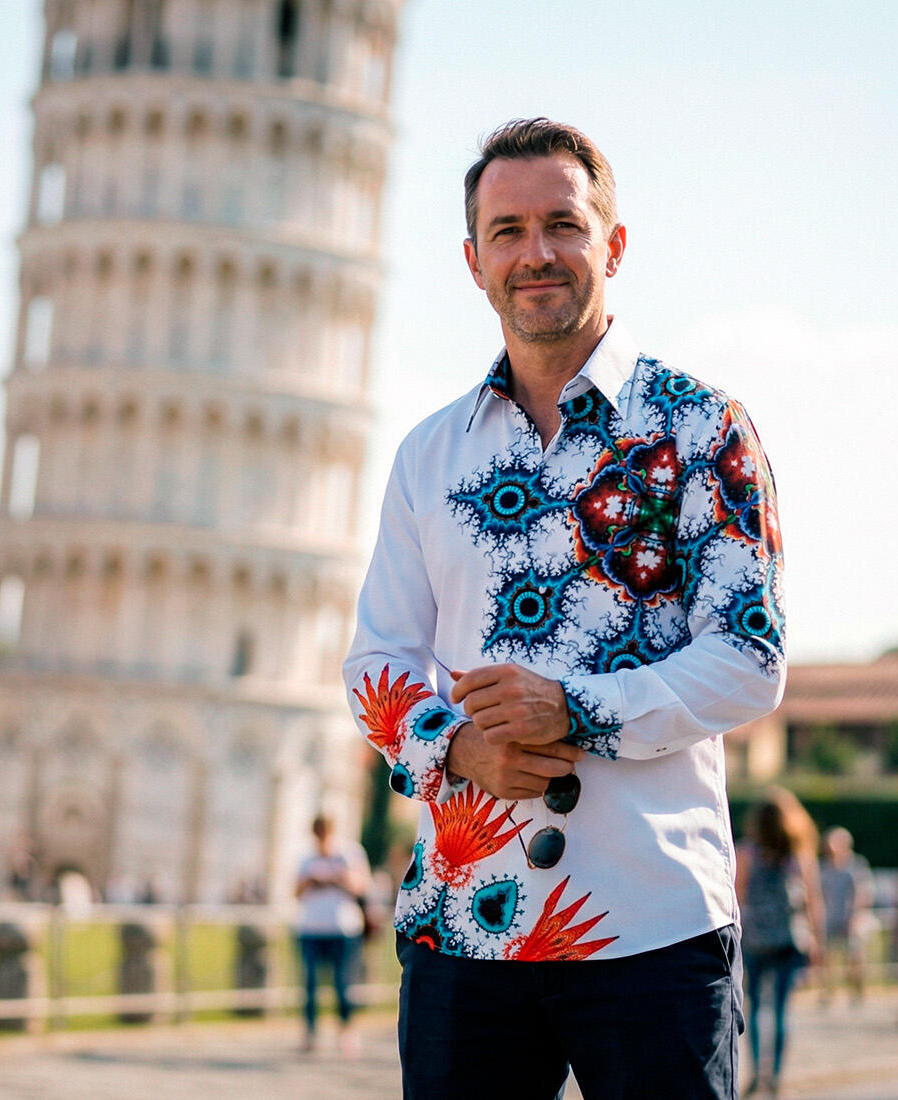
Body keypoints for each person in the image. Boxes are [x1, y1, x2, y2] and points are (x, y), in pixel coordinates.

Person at [342, 117, 784, 1100]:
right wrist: (457, 748)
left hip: (651, 919)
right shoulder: (427, 456)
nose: (533, 252)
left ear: (612, 244)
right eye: (505, 231)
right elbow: (376, 658)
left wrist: (572, 710)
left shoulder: (701, 428)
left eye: (561, 224)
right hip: (467, 922)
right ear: (471, 262)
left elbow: (749, 655)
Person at [737, 789, 824, 1098]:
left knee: (755, 1007)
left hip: (756, 938)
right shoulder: (799, 853)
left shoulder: (747, 852)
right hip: (790, 938)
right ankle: (774, 1076)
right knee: (782, 1009)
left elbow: (737, 898)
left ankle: (756, 1072)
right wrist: (818, 942)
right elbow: (813, 901)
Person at [293, 814, 371, 1055]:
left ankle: (346, 1031)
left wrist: (337, 877)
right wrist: (311, 880)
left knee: (342, 984)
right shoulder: (306, 857)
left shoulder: (348, 853)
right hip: (311, 927)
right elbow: (295, 891)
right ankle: (310, 1032)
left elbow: (361, 886)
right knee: (310, 985)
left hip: (343, 929)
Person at [817, 826, 874, 1008]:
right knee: (827, 957)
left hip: (851, 917)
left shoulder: (856, 865)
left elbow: (863, 892)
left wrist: (856, 916)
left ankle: (857, 990)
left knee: (855, 957)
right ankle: (828, 992)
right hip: (830, 917)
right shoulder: (824, 867)